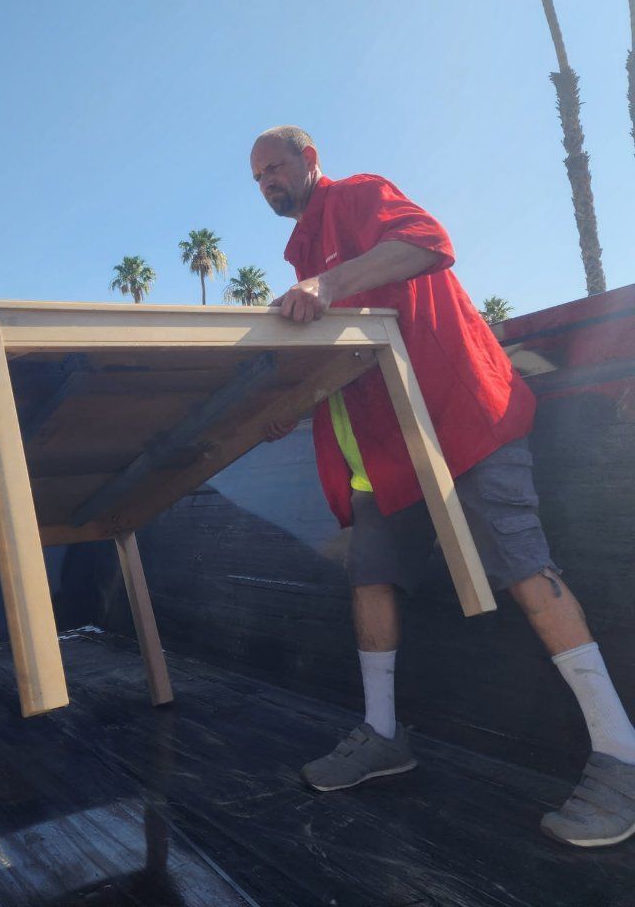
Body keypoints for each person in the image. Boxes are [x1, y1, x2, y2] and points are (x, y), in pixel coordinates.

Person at [251, 124, 635, 848]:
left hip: (465, 418)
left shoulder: (359, 196)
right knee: (371, 576)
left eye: (275, 167)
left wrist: (328, 283)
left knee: (523, 565)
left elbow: (432, 243)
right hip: (386, 449)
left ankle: (622, 750)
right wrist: (285, 406)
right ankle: (384, 734)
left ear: (309, 160)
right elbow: (339, 350)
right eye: (258, 179)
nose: (268, 182)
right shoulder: (298, 249)